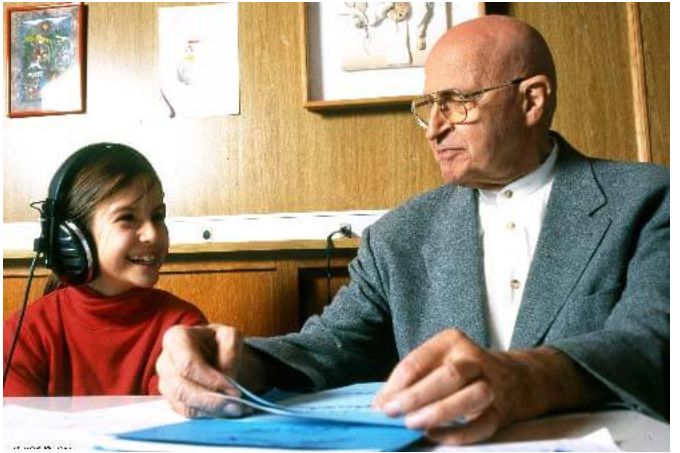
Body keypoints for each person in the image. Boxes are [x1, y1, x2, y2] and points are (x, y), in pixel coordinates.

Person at [155, 15, 669, 444]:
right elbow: (331, 346)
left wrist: (526, 379)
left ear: (531, 101)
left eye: (456, 102)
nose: (435, 129)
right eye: (428, 108)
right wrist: (239, 364)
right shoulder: (398, 235)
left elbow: (652, 343)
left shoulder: (650, 199)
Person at [3, 143, 207, 396]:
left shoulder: (182, 327)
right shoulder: (26, 333)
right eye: (127, 218)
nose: (153, 234)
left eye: (158, 216)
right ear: (73, 237)